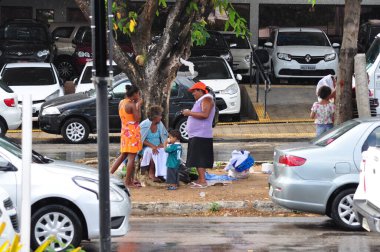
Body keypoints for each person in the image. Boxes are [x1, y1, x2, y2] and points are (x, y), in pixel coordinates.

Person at [182, 81, 215, 189]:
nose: (193, 93)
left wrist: (189, 113)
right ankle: (201, 179)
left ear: (201, 91)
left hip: (201, 134)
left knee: (199, 158)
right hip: (197, 134)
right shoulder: (201, 100)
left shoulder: (207, 99)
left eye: (194, 91)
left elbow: (205, 114)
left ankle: (202, 181)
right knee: (197, 158)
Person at [110, 84, 143, 187]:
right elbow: (138, 119)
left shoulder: (121, 102)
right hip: (132, 133)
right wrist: (138, 106)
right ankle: (128, 182)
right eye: (138, 94)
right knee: (131, 157)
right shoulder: (132, 105)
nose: (139, 96)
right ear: (135, 94)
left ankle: (108, 175)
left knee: (123, 155)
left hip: (125, 132)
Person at [139, 106, 168, 182]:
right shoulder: (144, 125)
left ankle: (163, 173)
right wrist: (152, 146)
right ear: (155, 117)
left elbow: (164, 136)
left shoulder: (160, 124)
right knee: (153, 152)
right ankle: (151, 173)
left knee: (165, 151)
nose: (161, 117)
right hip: (146, 147)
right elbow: (140, 139)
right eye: (160, 116)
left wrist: (162, 144)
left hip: (158, 146)